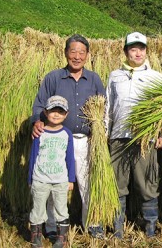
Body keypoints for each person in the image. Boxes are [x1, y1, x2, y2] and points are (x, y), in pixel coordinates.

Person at [31, 34, 106, 238]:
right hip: (56, 140)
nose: (77, 56)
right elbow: (39, 105)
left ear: (88, 55)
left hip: (85, 141)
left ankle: (92, 223)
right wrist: (37, 121)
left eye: (82, 52)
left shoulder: (94, 79)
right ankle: (52, 226)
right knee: (54, 182)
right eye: (73, 51)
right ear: (65, 53)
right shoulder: (53, 77)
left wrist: (101, 134)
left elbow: (104, 108)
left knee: (88, 183)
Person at [106, 32, 162, 238]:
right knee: (118, 185)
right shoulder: (115, 76)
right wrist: (106, 135)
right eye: (133, 48)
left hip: (145, 139)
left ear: (146, 51)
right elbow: (108, 107)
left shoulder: (156, 77)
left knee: (147, 184)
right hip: (118, 138)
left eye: (141, 48)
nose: (137, 52)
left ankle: (150, 227)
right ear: (125, 52)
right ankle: (117, 228)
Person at [28, 96, 75, 248]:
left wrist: (71, 179)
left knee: (61, 208)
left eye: (60, 111)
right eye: (53, 110)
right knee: (38, 208)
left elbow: (69, 157)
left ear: (66, 114)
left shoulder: (67, 134)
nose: (56, 114)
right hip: (40, 178)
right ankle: (36, 235)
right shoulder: (39, 132)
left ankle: (62, 237)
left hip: (60, 180)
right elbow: (33, 156)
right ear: (45, 112)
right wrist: (31, 179)